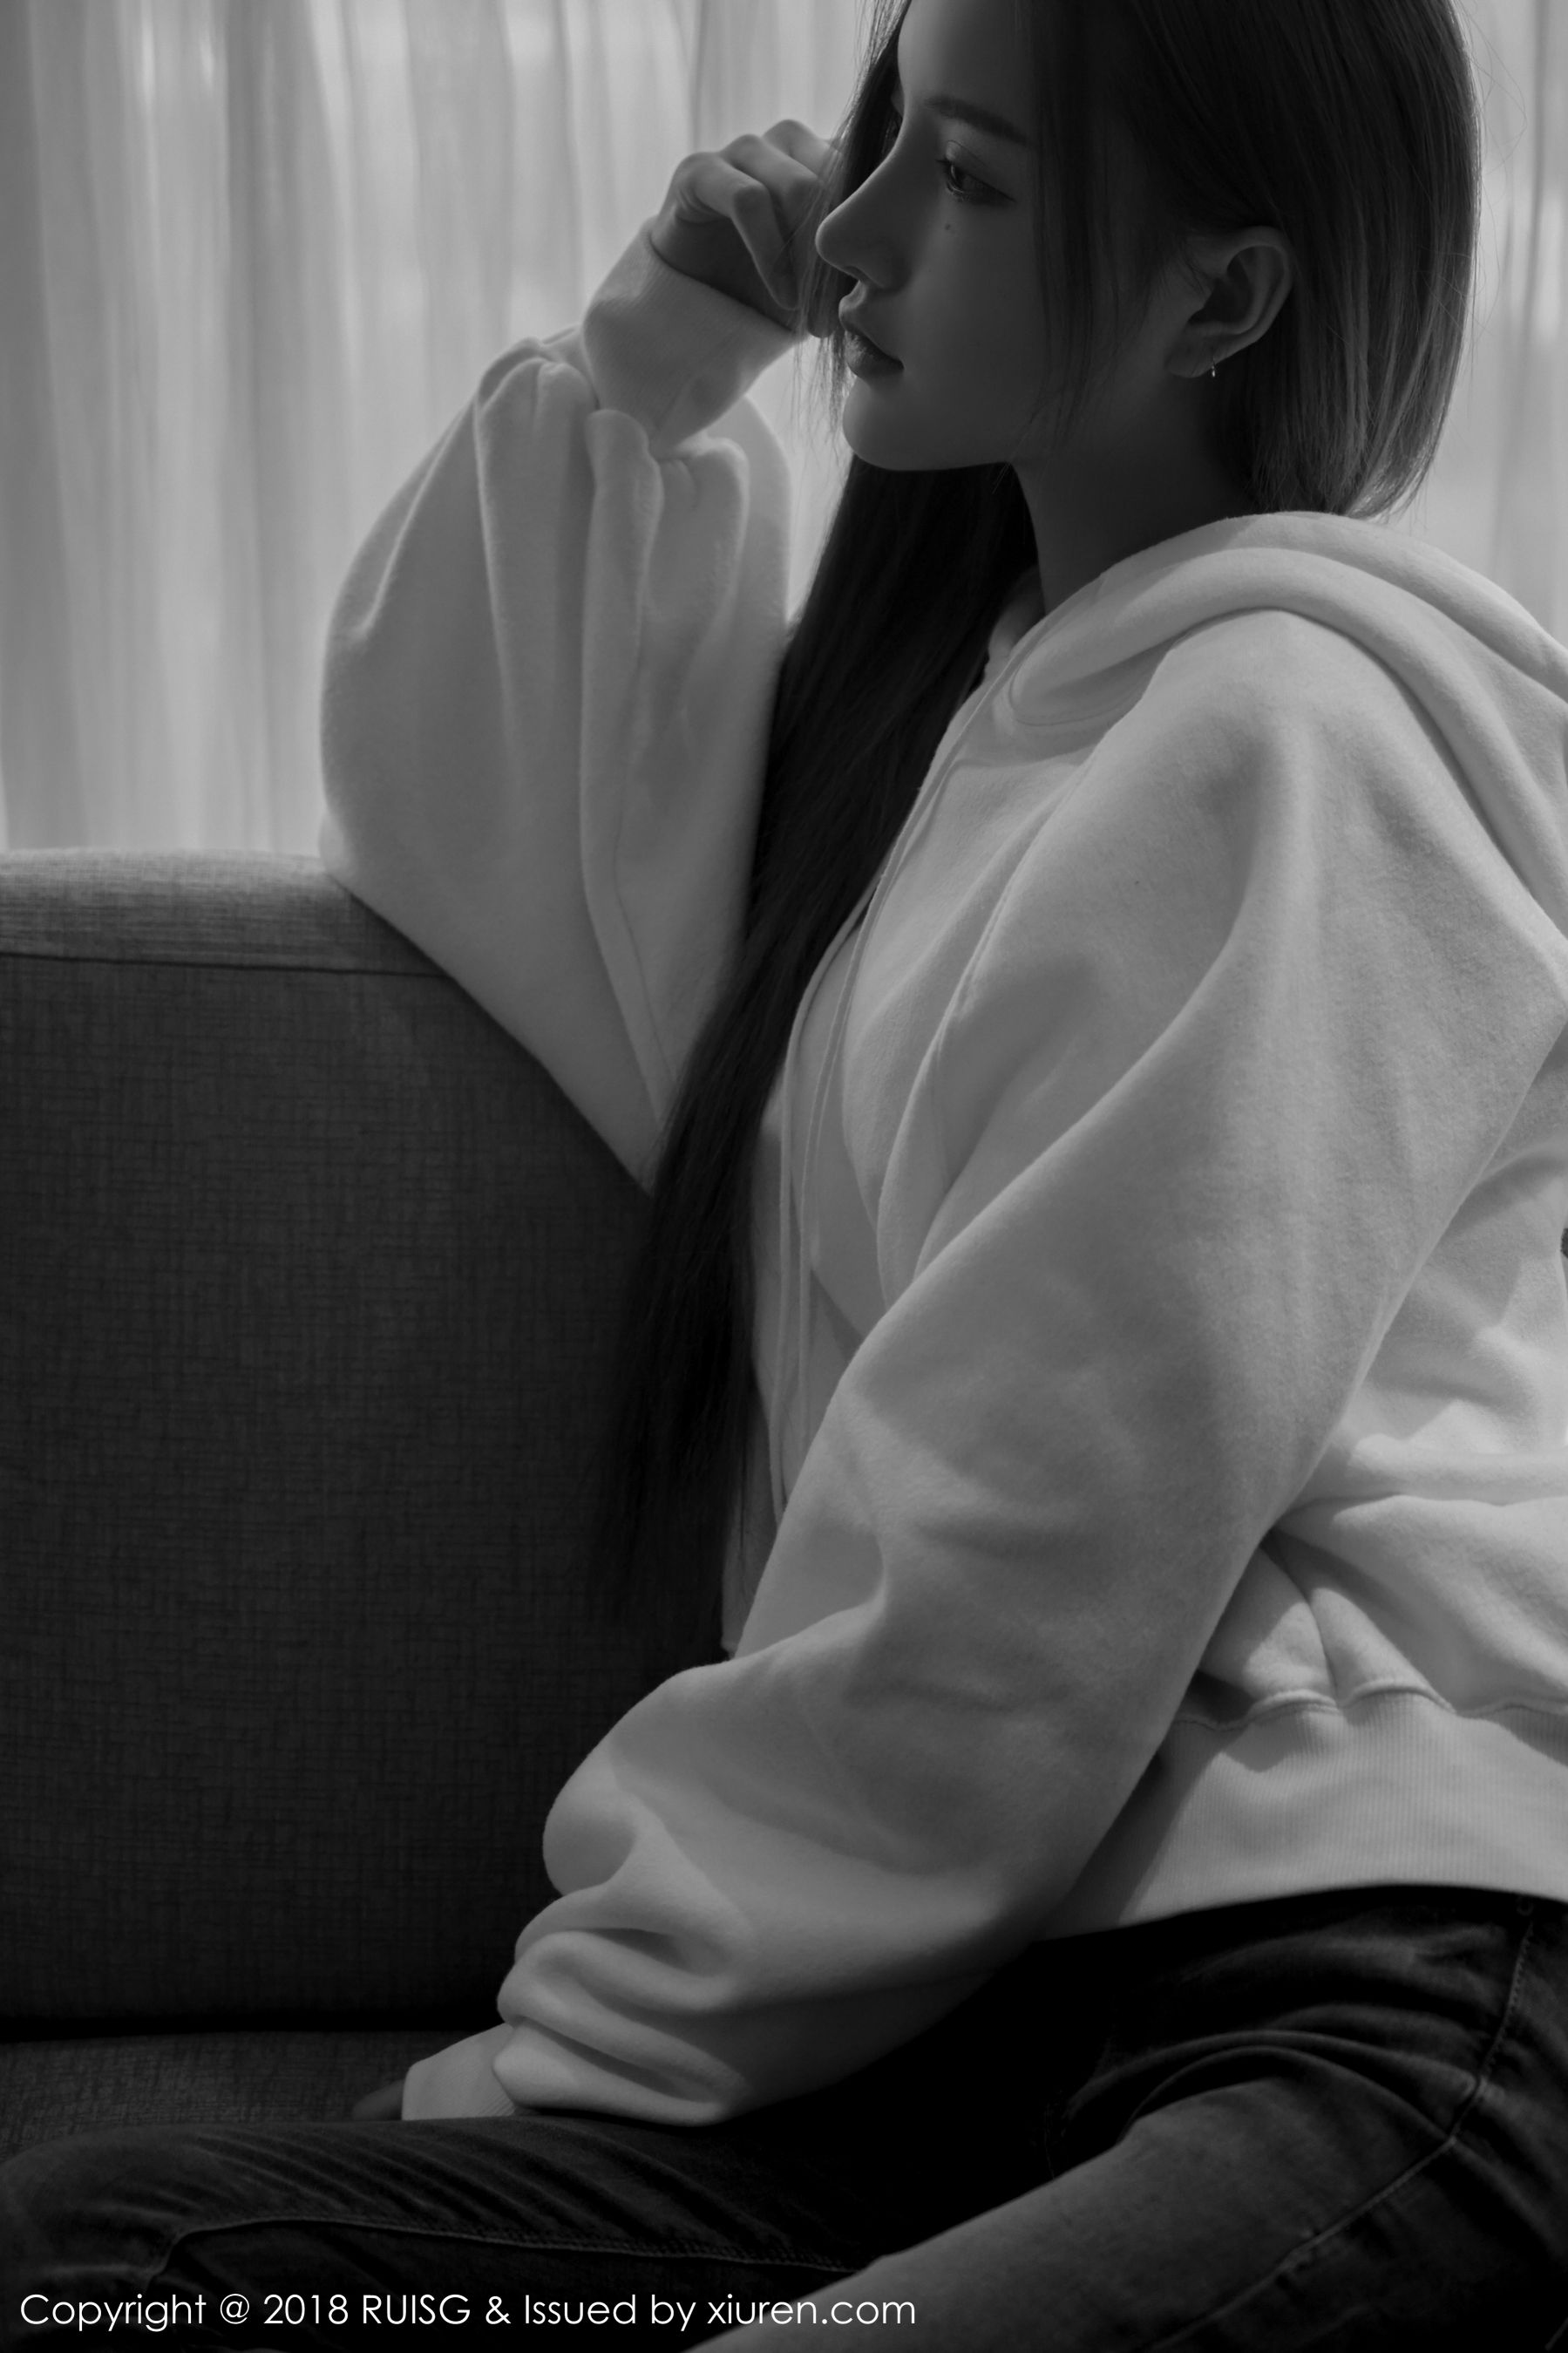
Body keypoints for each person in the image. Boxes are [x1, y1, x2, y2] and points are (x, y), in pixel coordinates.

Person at [7, 0, 1568, 2341]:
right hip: (1009, 2038)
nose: (855, 232)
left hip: (1387, 1994)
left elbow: (1023, 1546)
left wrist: (568, 2052)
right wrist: (654, 357)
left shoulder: (1287, 735)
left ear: (1221, 298)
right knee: (110, 2272)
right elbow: (478, 815)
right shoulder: (977, 754)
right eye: (888, 136)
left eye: (971, 176)